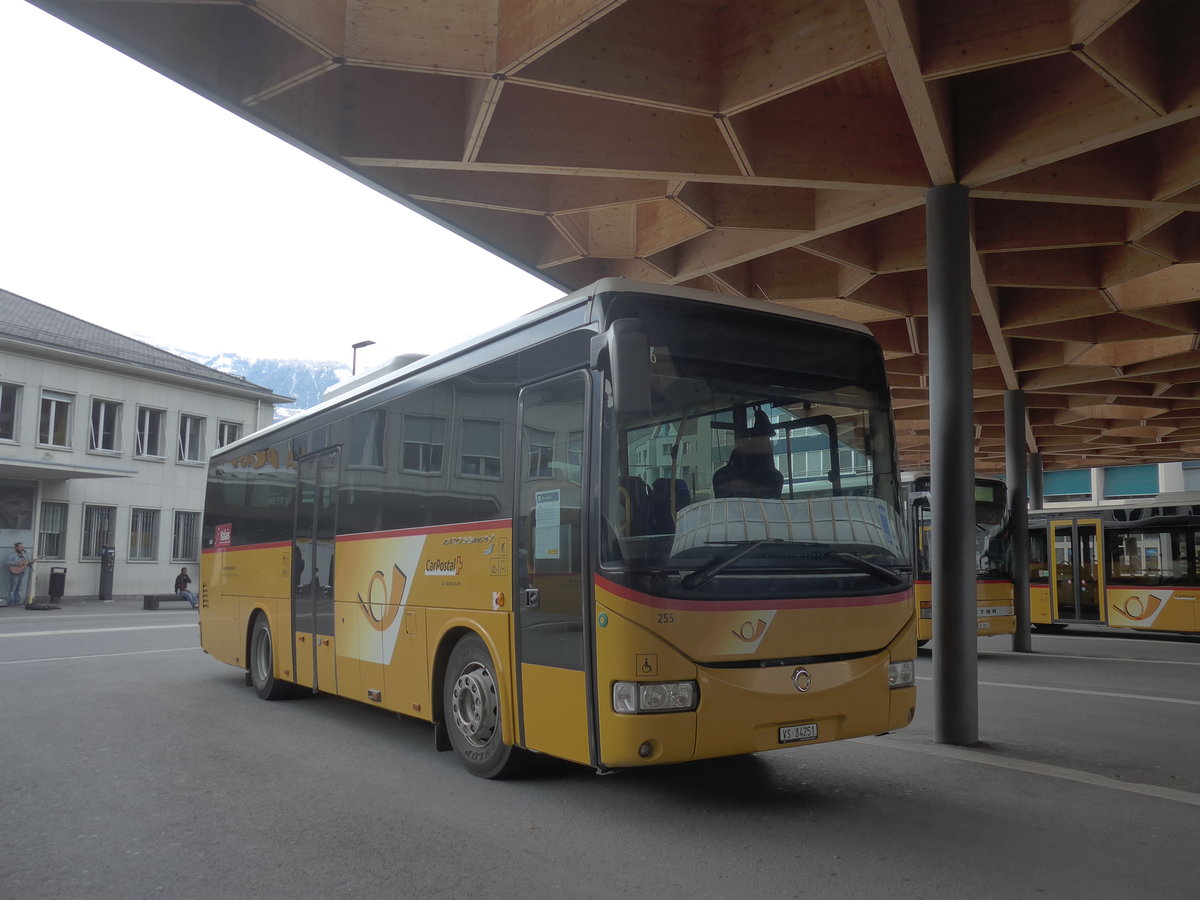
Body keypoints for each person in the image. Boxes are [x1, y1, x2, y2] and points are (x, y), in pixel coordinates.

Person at [5, 542, 32, 608]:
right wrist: (17, 563)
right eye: (20, 547)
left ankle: (17, 602)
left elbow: (25, 564)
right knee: (13, 589)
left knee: (18, 589)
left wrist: (29, 563)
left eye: (22, 547)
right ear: (16, 548)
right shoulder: (12, 555)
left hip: (22, 573)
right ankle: (11, 603)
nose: (22, 548)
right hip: (14, 573)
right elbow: (7, 562)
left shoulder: (25, 555)